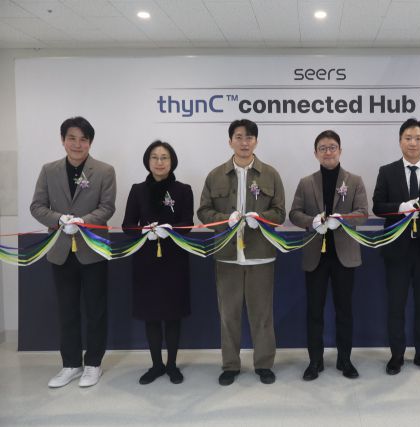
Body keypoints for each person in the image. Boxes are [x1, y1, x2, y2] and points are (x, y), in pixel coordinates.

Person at [197, 119, 285, 386]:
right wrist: (225, 220)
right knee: (228, 314)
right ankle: (230, 365)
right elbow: (203, 212)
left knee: (262, 314)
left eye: (249, 137)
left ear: (256, 141)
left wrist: (262, 219)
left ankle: (264, 364)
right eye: (239, 137)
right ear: (230, 141)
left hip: (261, 256)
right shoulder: (215, 175)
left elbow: (280, 212)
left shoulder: (270, 174)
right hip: (227, 256)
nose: (244, 142)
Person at [30, 116, 116, 388]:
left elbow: (107, 207)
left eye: (83, 139)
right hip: (60, 250)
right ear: (63, 140)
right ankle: (70, 364)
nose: (77, 144)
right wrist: (59, 220)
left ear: (90, 142)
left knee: (95, 310)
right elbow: (37, 206)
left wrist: (82, 221)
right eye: (72, 138)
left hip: (93, 250)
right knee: (67, 310)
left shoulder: (104, 171)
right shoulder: (49, 170)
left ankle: (93, 364)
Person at [372, 118, 420, 376]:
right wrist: (399, 208)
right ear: (400, 141)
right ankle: (397, 355)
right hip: (397, 249)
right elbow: (377, 205)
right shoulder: (387, 171)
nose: (413, 143)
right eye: (408, 138)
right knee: (396, 305)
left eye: (418, 138)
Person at [289, 130, 369, 381]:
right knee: (314, 311)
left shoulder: (354, 180)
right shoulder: (306, 182)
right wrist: (311, 221)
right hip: (316, 256)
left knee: (344, 311)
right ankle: (315, 361)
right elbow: (294, 213)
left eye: (332, 147)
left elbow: (363, 213)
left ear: (340, 151)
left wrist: (341, 220)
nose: (328, 152)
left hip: (344, 256)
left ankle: (345, 360)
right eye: (322, 148)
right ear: (315, 153)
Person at [122, 141, 194, 385]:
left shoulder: (183, 190)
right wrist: (143, 230)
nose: (159, 162)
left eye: (164, 157)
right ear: (148, 161)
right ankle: (156, 365)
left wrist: (169, 229)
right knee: (151, 315)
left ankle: (172, 365)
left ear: (172, 162)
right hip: (146, 261)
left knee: (173, 315)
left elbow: (188, 224)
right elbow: (127, 225)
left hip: (174, 261)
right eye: (154, 157)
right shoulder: (137, 190)